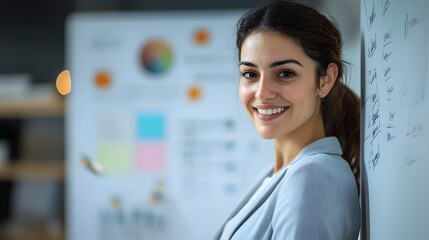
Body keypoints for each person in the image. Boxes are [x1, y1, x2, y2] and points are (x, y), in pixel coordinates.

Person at [214, 1, 361, 239]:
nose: (262, 93)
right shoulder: (275, 173)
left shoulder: (312, 177)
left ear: (325, 80)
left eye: (285, 73)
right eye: (250, 74)